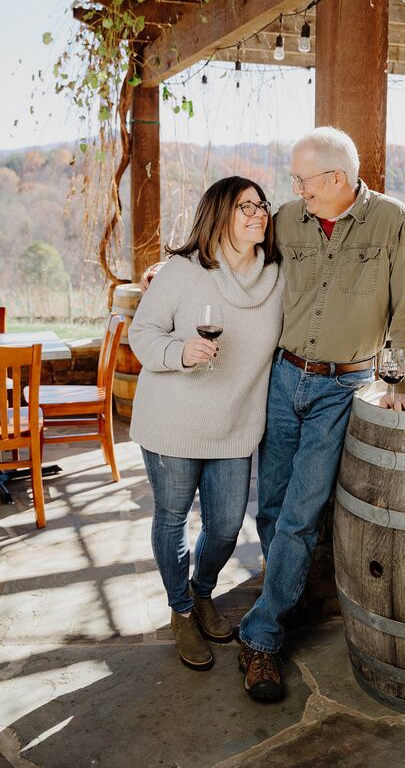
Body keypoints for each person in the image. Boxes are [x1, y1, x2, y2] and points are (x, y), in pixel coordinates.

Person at [237, 127, 405, 702]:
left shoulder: (393, 221)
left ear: (337, 179)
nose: (294, 189)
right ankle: (284, 599)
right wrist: (173, 271)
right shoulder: (290, 219)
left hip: (344, 386)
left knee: (301, 511)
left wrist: (402, 379)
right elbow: (238, 257)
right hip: (283, 376)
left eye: (302, 180)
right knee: (269, 505)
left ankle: (263, 637)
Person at [128, 176, 284, 672]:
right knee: (172, 520)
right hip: (172, 421)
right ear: (219, 213)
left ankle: (200, 592)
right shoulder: (181, 271)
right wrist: (179, 352)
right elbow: (143, 333)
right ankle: (179, 611)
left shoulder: (278, 276)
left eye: (261, 205)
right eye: (245, 207)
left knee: (224, 527)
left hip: (235, 423)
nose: (258, 213)